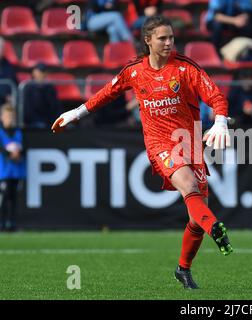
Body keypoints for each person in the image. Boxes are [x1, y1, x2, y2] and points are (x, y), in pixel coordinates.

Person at [51, 16, 233, 289]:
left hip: (189, 143)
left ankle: (183, 269)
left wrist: (219, 121)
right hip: (159, 143)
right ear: (147, 40)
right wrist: (76, 113)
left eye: (171, 37)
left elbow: (216, 97)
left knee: (196, 217)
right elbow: (107, 93)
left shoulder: (185, 68)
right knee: (188, 185)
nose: (169, 42)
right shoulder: (134, 71)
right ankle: (216, 228)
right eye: (162, 38)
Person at [0, 104, 25, 232]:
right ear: (2, 117)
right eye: (7, 116)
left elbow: (24, 148)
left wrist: (19, 154)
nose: (10, 119)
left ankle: (11, 223)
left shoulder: (18, 132)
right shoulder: (1, 132)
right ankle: (2, 223)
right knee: (3, 198)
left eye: (12, 116)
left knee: (13, 198)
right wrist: (10, 154)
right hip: (3, 172)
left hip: (16, 171)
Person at [23, 63, 62, 128]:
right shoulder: (27, 88)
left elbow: (55, 107)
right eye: (39, 72)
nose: (40, 74)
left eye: (42, 72)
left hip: (48, 120)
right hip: (33, 122)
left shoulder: (50, 88)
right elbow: (27, 110)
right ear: (33, 73)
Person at [0, 37, 18, 106]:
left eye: (1, 48)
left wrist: (12, 95)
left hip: (5, 104)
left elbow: (14, 83)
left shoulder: (8, 66)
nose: (0, 50)